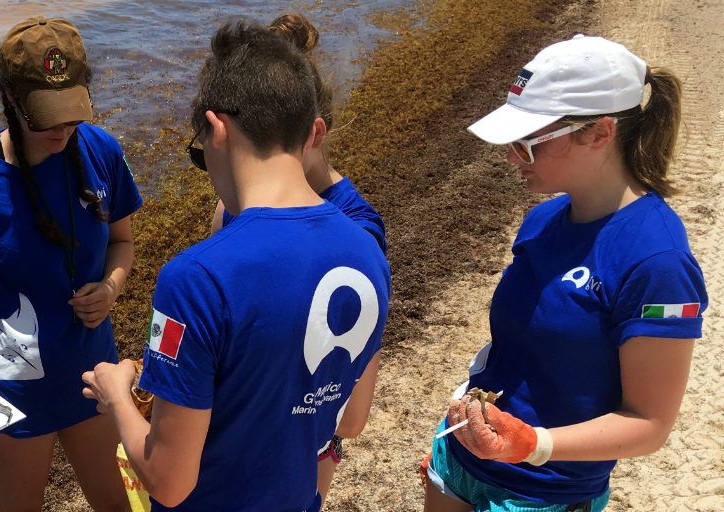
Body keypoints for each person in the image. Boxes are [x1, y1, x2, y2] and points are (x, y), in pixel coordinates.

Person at [82, 18, 390, 512]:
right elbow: (349, 422)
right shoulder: (366, 249)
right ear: (308, 130)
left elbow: (168, 480)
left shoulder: (194, 277)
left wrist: (118, 395)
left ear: (217, 129)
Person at [422, 35, 708, 512]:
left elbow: (650, 425)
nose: (512, 157)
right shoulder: (543, 219)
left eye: (526, 143)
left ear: (599, 133)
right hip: (459, 461)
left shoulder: (657, 262)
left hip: (543, 493)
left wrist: (533, 444)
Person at [0, 15, 141, 512]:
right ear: (11, 101)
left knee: (120, 503)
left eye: (72, 115)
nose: (61, 130)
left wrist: (110, 288)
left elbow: (122, 243)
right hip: (13, 386)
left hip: (95, 374)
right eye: (44, 117)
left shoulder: (102, 151)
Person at [210, 13, 388, 257]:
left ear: (315, 135)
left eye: (280, 139)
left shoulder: (358, 227)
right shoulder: (230, 207)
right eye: (257, 141)